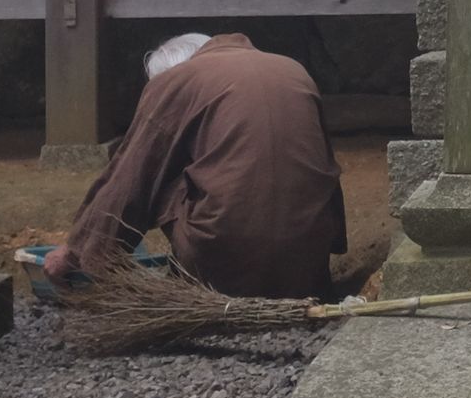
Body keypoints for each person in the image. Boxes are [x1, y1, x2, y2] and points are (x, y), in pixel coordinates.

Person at [44, 33, 348, 300]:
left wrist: (78, 253)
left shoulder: (177, 81)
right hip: (307, 267)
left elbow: (128, 179)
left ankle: (199, 274)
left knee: (158, 169)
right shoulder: (293, 69)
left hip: (224, 269)